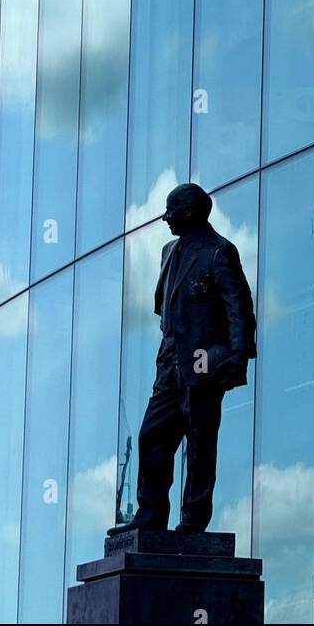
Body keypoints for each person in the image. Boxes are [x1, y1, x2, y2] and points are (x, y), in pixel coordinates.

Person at [110, 182, 256, 535]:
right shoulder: (168, 252)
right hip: (169, 363)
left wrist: (238, 356)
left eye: (171, 210)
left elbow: (239, 309)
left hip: (203, 362)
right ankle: (150, 516)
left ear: (190, 212)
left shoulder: (220, 252)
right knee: (151, 436)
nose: (166, 217)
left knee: (200, 442)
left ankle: (193, 519)